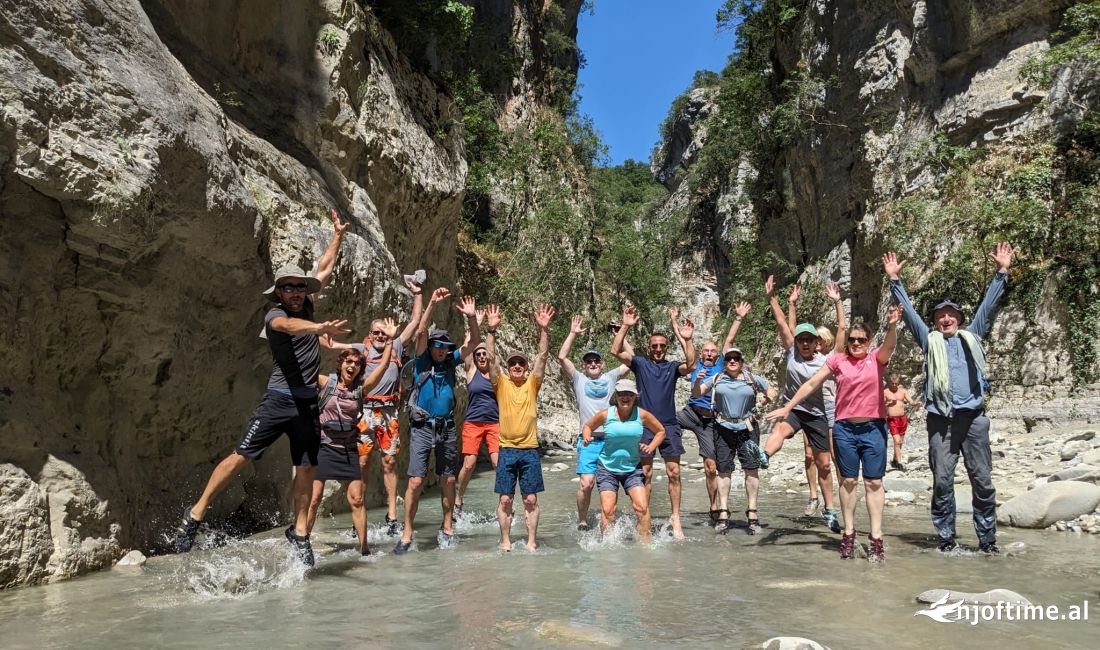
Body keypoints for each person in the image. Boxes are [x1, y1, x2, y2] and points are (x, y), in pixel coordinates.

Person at [173, 209, 350, 566]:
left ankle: (300, 532)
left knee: (307, 467)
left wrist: (337, 236)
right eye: (289, 288)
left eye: (300, 288)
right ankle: (195, 514)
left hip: (307, 405)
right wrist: (317, 330)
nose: (297, 292)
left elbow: (324, 270)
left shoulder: (309, 303)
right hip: (279, 401)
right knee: (242, 455)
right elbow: (288, 327)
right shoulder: (274, 316)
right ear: (279, 293)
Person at [883, 242, 1014, 554]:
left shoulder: (973, 336)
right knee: (942, 480)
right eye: (940, 316)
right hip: (941, 421)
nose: (945, 319)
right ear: (936, 322)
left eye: (951, 314)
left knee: (982, 481)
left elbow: (988, 306)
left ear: (959, 318)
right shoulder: (930, 343)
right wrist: (895, 281)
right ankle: (946, 539)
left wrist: (1002, 272)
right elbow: (911, 315)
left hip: (974, 419)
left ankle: (987, 541)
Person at [767, 307, 901, 562]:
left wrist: (893, 326)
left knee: (874, 483)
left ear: (869, 342)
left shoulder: (876, 359)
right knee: (848, 482)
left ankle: (876, 538)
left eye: (861, 340)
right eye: (852, 339)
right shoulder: (838, 360)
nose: (856, 343)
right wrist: (788, 406)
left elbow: (890, 347)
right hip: (844, 430)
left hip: (874, 428)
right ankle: (848, 535)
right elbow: (811, 383)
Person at [393, 290, 480, 554]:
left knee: (449, 480)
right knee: (416, 482)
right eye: (438, 346)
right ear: (431, 347)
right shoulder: (421, 361)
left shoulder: (451, 363)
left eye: (445, 347)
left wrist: (473, 317)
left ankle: (447, 527)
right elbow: (420, 331)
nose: (442, 350)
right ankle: (407, 533)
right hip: (421, 427)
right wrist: (431, 302)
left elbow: (474, 342)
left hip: (447, 427)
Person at [759, 277, 846, 533]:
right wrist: (774, 298)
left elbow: (842, 331)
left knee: (824, 464)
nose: (805, 343)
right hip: (794, 408)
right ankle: (764, 456)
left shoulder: (827, 360)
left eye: (809, 339)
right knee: (780, 431)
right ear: (796, 343)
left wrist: (838, 302)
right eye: (801, 340)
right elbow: (783, 324)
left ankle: (829, 510)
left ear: (816, 342)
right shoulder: (792, 353)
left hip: (818, 414)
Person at [305, 318, 399, 555]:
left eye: (357, 363)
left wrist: (389, 340)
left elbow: (384, 366)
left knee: (357, 499)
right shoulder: (326, 383)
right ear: (341, 364)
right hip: (324, 446)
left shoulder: (360, 389)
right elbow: (304, 369)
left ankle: (364, 549)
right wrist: (312, 334)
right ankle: (303, 541)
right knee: (314, 499)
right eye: (348, 361)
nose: (352, 366)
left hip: (348, 448)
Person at [611, 306, 696, 540]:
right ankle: (644, 516)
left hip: (669, 425)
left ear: (666, 348)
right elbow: (615, 350)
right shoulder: (640, 364)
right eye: (654, 346)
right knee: (646, 473)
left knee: (674, 472)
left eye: (662, 346)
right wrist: (626, 325)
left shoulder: (671, 367)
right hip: (645, 426)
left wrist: (687, 340)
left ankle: (675, 517)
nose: (658, 349)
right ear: (649, 348)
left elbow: (691, 364)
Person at [675, 302, 751, 522]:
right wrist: (675, 323)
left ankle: (714, 506)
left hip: (709, 420)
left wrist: (738, 318)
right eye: (706, 351)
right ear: (701, 354)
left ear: (718, 356)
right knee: (660, 419)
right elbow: (683, 341)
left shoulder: (721, 367)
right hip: (690, 412)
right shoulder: (694, 363)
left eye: (713, 352)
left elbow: (728, 342)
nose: (709, 354)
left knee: (710, 467)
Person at [557, 315, 630, 531]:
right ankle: (582, 519)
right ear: (584, 365)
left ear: (602, 364)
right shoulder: (579, 379)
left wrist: (621, 335)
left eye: (596, 361)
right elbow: (562, 356)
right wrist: (572, 333)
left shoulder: (610, 377)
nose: (593, 364)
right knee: (586, 483)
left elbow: (631, 359)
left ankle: (608, 519)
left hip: (611, 441)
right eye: (589, 361)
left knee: (609, 485)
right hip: (588, 441)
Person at [490, 304, 554, 551]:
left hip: (529, 450)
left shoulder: (532, 384)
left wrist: (544, 329)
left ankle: (531, 542)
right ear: (508, 368)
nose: (517, 366)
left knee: (530, 498)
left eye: (521, 363)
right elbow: (492, 359)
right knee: (505, 499)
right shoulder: (501, 385)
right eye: (513, 363)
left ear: (525, 368)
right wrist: (492, 330)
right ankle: (505, 540)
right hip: (506, 448)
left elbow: (543, 357)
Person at [693, 348, 776, 533]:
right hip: (723, 428)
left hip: (747, 428)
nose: (732, 361)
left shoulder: (751, 378)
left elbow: (771, 389)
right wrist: (698, 379)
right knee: (723, 470)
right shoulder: (716, 379)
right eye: (729, 358)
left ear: (741, 361)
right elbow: (697, 393)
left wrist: (766, 398)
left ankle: (752, 512)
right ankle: (723, 512)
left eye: (736, 358)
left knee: (751, 469)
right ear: (724, 362)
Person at [581, 379, 665, 541]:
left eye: (629, 394)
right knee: (608, 510)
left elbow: (660, 431)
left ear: (635, 397)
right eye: (621, 394)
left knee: (641, 507)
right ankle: (607, 545)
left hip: (632, 468)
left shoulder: (642, 415)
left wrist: (651, 446)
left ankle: (646, 543)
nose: (625, 397)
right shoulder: (606, 414)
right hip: (607, 468)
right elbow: (588, 426)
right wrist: (586, 436)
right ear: (616, 396)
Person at [454, 306, 503, 517]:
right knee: (470, 463)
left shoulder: (495, 372)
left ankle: (504, 502)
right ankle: (458, 496)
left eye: (484, 354)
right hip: (473, 422)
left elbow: (491, 353)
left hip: (494, 423)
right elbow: (468, 345)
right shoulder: (471, 370)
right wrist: (474, 321)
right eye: (478, 354)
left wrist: (490, 331)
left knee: (497, 463)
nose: (482, 356)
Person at [883, 374, 922, 472]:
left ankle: (895, 460)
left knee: (900, 442)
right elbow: (880, 406)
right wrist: (888, 403)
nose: (894, 385)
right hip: (892, 419)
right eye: (892, 383)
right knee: (897, 441)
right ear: (889, 382)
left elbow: (911, 402)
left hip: (902, 419)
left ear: (899, 382)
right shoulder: (885, 392)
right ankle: (900, 463)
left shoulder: (903, 391)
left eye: (896, 383)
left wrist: (916, 403)